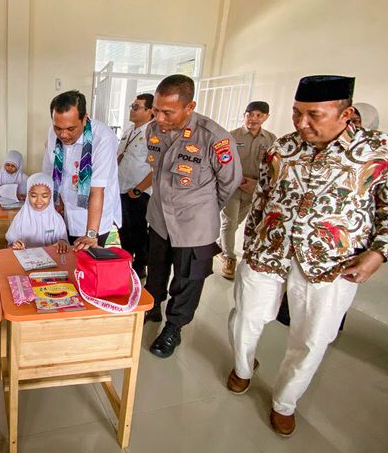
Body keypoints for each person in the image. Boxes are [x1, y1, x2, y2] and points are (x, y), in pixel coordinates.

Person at [227, 75, 388, 437]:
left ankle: (285, 402)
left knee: (312, 338)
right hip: (268, 249)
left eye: (313, 115)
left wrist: (379, 253)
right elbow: (263, 197)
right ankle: (243, 368)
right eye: (296, 113)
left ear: (346, 113)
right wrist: (248, 245)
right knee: (245, 317)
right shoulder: (282, 148)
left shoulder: (377, 151)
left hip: (332, 262)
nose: (301, 123)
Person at [143, 74, 242, 358]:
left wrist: (203, 209)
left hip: (194, 224)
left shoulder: (214, 138)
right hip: (159, 219)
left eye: (168, 112)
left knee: (188, 279)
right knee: (156, 269)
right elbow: (157, 174)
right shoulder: (153, 130)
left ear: (190, 107)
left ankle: (174, 327)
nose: (160, 118)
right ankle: (152, 307)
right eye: (156, 110)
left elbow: (230, 182)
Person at [41, 90, 121, 250]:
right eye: (58, 128)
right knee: (63, 260)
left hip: (92, 220)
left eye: (70, 129)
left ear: (84, 119)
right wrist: (55, 203)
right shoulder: (52, 133)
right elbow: (49, 172)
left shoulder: (103, 138)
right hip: (63, 214)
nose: (63, 134)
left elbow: (97, 190)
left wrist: (91, 234)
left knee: (86, 261)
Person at [219, 102, 276, 279]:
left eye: (259, 115)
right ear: (244, 115)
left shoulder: (271, 139)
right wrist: (238, 180)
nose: (253, 119)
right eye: (250, 114)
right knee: (230, 221)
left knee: (236, 222)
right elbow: (222, 162)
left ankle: (220, 245)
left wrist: (257, 184)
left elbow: (272, 166)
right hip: (233, 187)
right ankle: (229, 257)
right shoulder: (232, 136)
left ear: (266, 117)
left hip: (254, 189)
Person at [117, 93, 154, 276]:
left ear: (150, 110)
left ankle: (140, 265)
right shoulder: (129, 130)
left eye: (136, 107)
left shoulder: (153, 134)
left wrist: (139, 189)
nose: (132, 110)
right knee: (123, 229)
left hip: (138, 191)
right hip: (121, 188)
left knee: (138, 230)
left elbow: (156, 168)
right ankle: (126, 261)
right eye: (132, 106)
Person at [5, 173, 69, 253]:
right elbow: (11, 242)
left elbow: (63, 240)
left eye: (44, 196)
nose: (39, 201)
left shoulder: (57, 219)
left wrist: (62, 242)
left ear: (51, 196)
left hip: (50, 258)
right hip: (25, 257)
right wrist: (16, 244)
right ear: (28, 195)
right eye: (33, 196)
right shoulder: (20, 218)